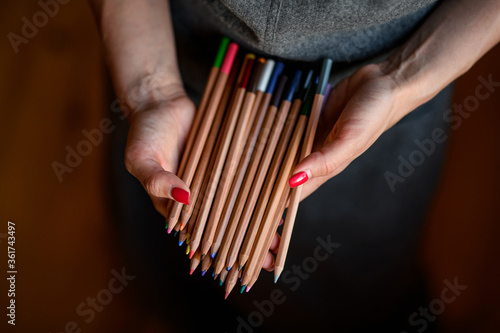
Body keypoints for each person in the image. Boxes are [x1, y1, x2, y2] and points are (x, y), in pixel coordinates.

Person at [89, 0, 500, 332]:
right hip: (166, 53)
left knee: (345, 287)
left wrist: (400, 82)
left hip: (377, 96)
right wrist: (149, 91)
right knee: (171, 259)